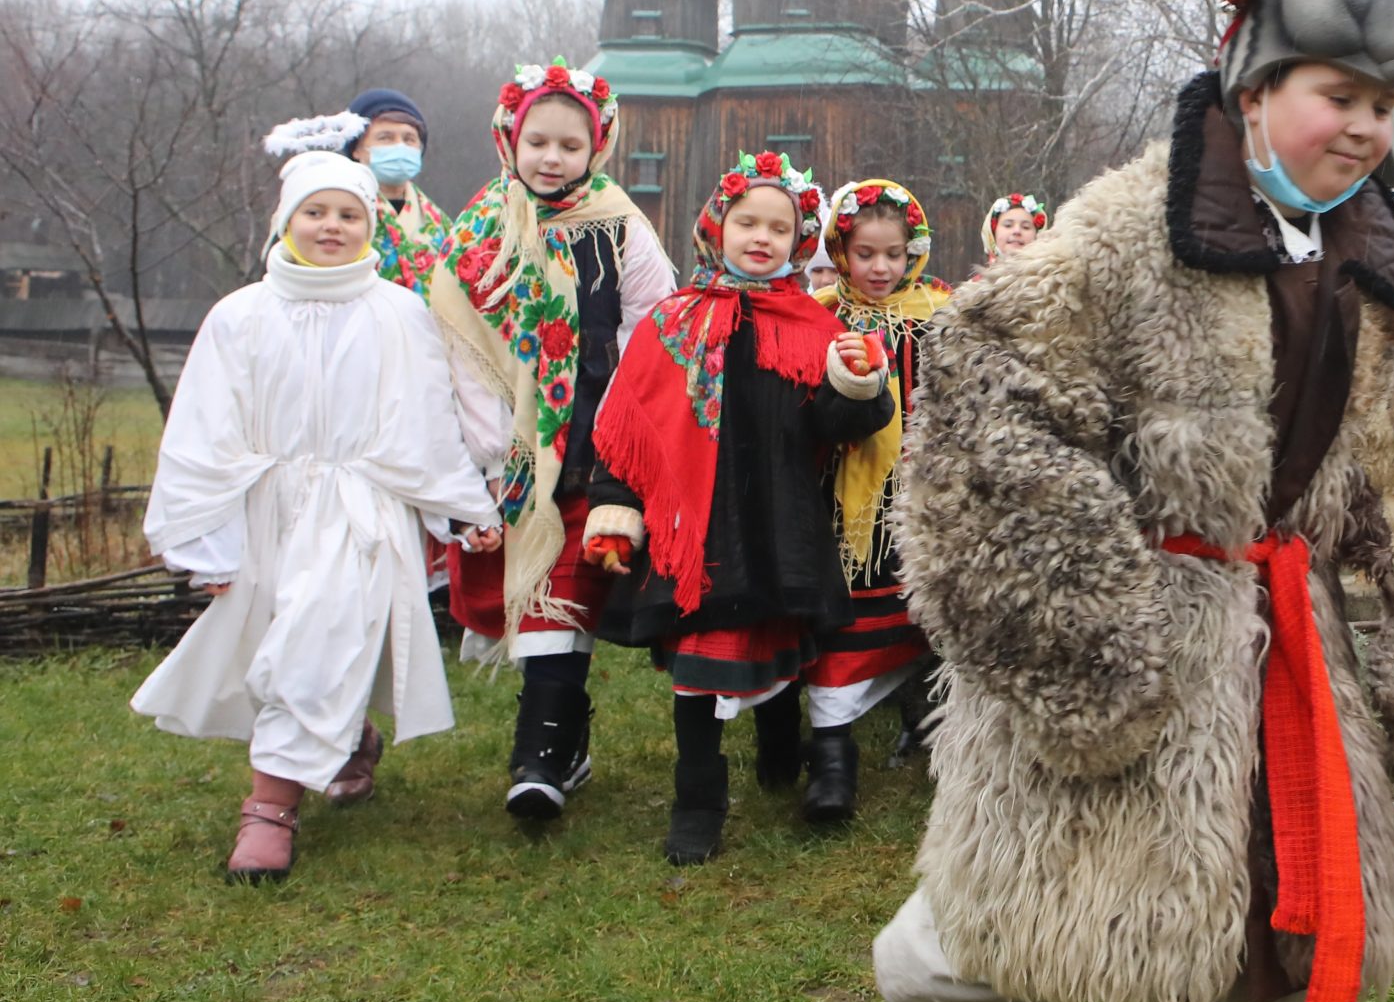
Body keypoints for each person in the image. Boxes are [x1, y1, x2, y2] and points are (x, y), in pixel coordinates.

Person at [872, 0, 1394, 1002]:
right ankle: (925, 996)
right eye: (1338, 96)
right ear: (1254, 83)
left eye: (1382, 106)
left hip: (1290, 664)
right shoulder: (1119, 237)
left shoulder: (1373, 270)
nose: (1362, 128)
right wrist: (1094, 644)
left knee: (1263, 946)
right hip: (1124, 645)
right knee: (1034, 938)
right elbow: (986, 425)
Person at [131, 144, 498, 882]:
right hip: (270, 507)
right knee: (283, 642)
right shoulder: (240, 316)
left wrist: (462, 508)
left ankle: (268, 809)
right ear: (286, 220)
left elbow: (424, 421)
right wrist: (206, 536)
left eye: (349, 213)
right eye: (315, 211)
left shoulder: (398, 313)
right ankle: (350, 733)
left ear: (370, 225)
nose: (332, 225)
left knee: (317, 633)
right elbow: (204, 429)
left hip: (359, 508)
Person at [581, 151, 898, 862]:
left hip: (782, 519)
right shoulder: (672, 322)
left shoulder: (814, 326)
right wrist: (614, 503)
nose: (761, 236)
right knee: (698, 665)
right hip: (697, 524)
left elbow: (839, 427)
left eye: (779, 227)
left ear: (799, 240)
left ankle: (780, 746)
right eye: (747, 221)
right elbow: (631, 419)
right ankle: (698, 795)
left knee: (778, 642)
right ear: (716, 226)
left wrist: (856, 384)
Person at [428, 59, 676, 820]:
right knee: (521, 596)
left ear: (596, 148)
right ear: (509, 137)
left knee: (559, 598)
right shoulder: (477, 231)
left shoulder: (620, 228)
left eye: (571, 144)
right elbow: (455, 341)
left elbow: (651, 335)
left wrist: (621, 442)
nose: (552, 158)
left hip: (587, 447)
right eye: (538, 140)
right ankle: (566, 746)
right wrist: (489, 447)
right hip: (501, 454)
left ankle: (537, 757)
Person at [820, 179, 950, 766]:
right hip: (841, 484)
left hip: (919, 482)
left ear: (913, 251)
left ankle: (923, 723)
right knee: (853, 597)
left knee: (921, 603)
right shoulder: (823, 315)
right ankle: (833, 727)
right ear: (840, 252)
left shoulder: (940, 312)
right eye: (865, 254)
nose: (880, 268)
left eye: (893, 255)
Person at [343, 87, 447, 299]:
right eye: (386, 138)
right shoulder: (335, 209)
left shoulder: (441, 224)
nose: (400, 147)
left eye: (409, 139)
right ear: (357, 149)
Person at [977, 192, 1047, 267]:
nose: (1017, 231)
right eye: (1008, 225)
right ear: (993, 232)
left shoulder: (1053, 277)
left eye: (1025, 227)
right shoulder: (980, 279)